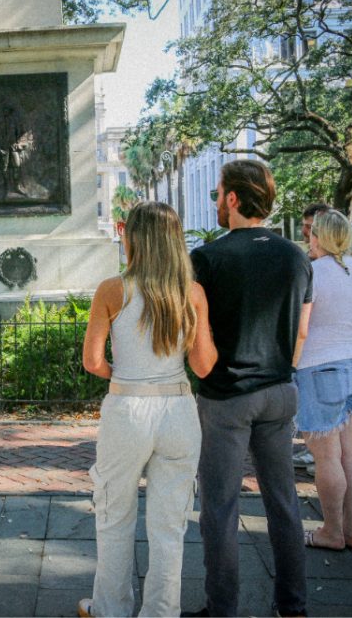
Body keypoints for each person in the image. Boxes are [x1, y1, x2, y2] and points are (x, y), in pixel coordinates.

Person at [184, 159, 312, 618]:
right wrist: (278, 369)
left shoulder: (209, 258)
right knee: (284, 501)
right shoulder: (296, 255)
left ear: (234, 198)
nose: (216, 201)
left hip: (227, 396)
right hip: (280, 390)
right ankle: (292, 605)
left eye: (219, 194)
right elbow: (302, 332)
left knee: (219, 508)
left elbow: (196, 335)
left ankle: (222, 608)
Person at [77, 202, 217, 618]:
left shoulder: (112, 290)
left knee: (114, 514)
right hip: (177, 408)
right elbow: (204, 366)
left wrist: (125, 375)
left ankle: (111, 608)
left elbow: (92, 361)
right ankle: (160, 613)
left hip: (127, 409)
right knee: (169, 526)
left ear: (132, 238)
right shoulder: (191, 293)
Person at [295, 210, 352, 550]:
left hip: (321, 368)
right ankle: (350, 529)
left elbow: (301, 327)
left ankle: (331, 531)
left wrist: (293, 362)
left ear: (319, 236)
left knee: (327, 457)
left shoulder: (312, 273)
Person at [292, 202, 331, 472]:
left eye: (310, 227)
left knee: (321, 404)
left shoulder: (324, 267)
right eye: (305, 226)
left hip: (320, 348)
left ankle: (322, 456)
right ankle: (315, 450)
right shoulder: (311, 259)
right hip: (316, 345)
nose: (306, 232)